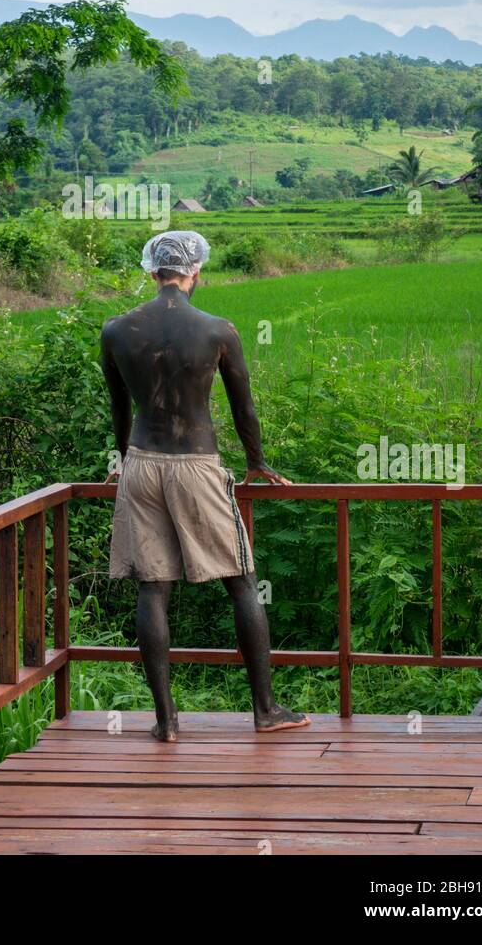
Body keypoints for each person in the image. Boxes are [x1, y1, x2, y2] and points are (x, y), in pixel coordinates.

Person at [100, 228, 311, 742]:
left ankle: (167, 721)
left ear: (153, 272)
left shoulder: (115, 329)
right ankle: (264, 710)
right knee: (240, 580)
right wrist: (256, 462)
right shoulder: (219, 330)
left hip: (141, 463)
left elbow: (120, 406)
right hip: (196, 464)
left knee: (152, 588)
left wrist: (122, 458)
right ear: (195, 272)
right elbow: (245, 407)